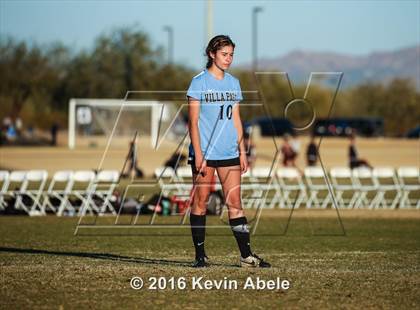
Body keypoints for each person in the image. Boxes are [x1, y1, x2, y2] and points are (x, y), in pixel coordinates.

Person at [187, 35, 270, 268]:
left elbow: (236, 119)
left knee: (235, 202)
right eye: (225, 54)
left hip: (229, 152)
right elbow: (192, 122)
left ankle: (246, 256)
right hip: (204, 153)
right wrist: (199, 154)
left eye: (232, 54)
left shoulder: (233, 83)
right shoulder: (199, 82)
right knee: (201, 201)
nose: (229, 59)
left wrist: (242, 151)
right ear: (212, 54)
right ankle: (200, 256)